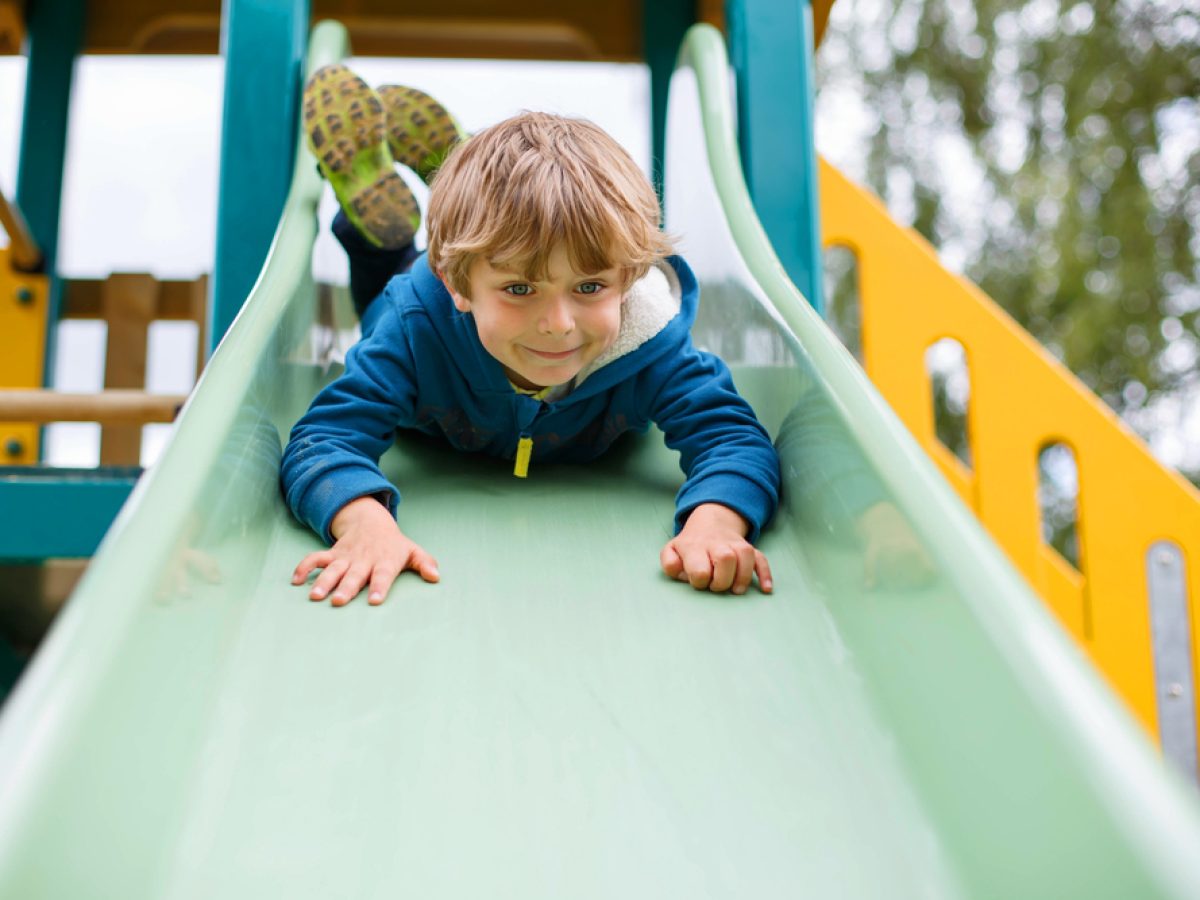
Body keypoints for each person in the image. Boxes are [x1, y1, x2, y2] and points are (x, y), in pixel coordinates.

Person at [281, 64, 781, 607]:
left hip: (473, 268)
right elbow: (323, 438)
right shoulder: (411, 332)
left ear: (630, 277)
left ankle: (471, 192)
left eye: (590, 286)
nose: (559, 323)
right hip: (420, 298)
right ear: (459, 285)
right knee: (388, 283)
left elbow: (731, 436)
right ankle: (381, 227)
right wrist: (361, 521)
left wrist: (717, 520)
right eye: (521, 290)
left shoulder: (648, 344)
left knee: (510, 241)